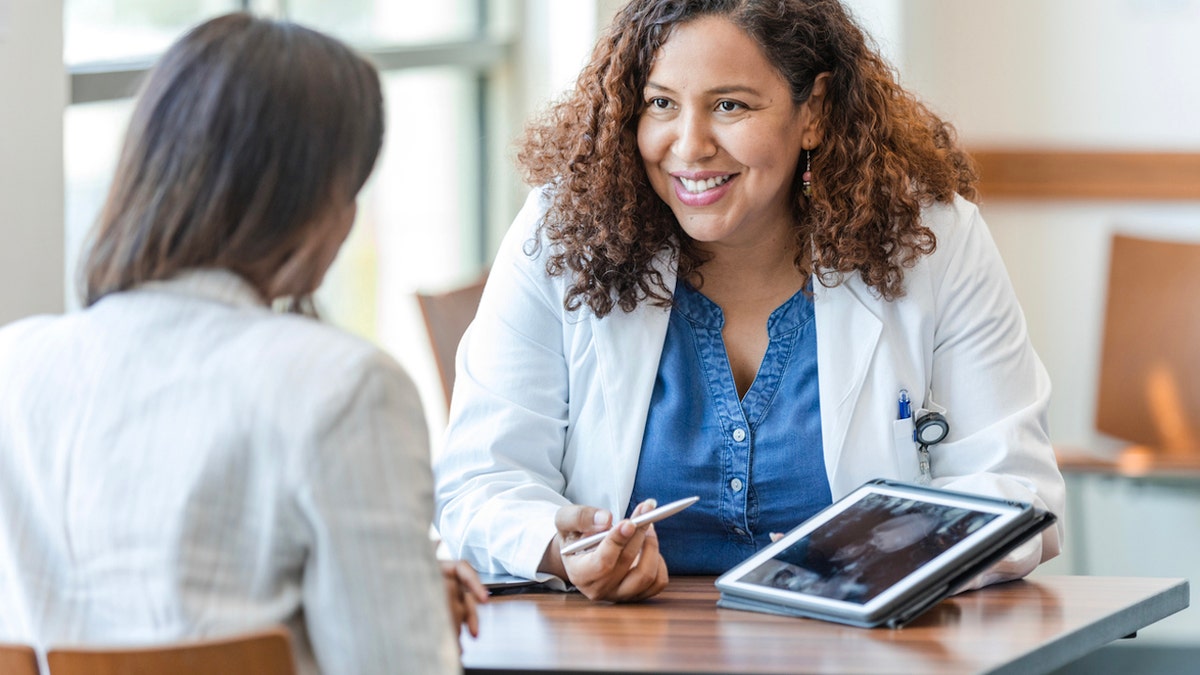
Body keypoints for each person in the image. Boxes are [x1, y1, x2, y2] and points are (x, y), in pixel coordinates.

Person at [434, 0, 1065, 602]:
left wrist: (873, 561)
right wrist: (561, 547)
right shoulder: (563, 231)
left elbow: (1017, 491)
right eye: (660, 104)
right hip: (620, 651)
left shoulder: (931, 239)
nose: (689, 145)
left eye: (729, 105)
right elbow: (480, 483)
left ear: (813, 110)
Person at [0, 13, 485, 674]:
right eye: (350, 191)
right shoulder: (345, 387)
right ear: (315, 203)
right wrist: (420, 617)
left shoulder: (14, 366)